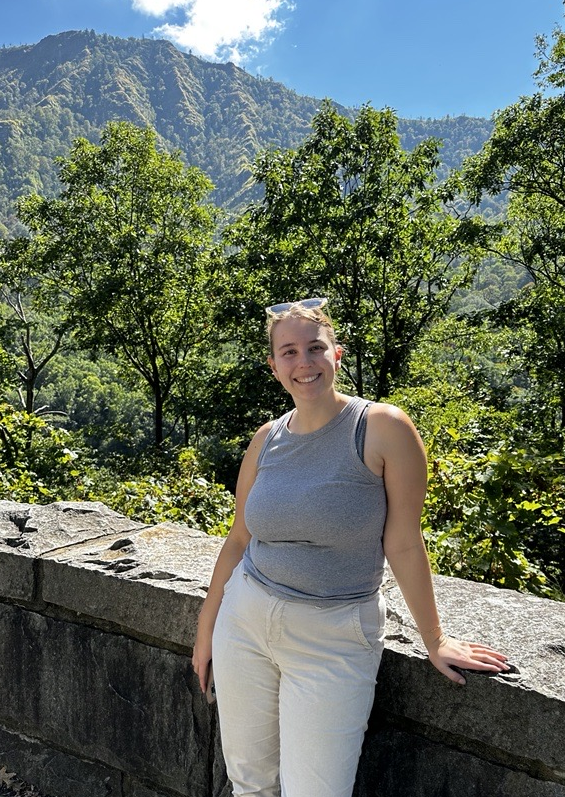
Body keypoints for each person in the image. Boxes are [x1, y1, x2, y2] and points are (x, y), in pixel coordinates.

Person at [192, 297, 509, 797]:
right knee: (249, 784)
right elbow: (238, 539)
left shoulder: (382, 428)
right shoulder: (266, 440)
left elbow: (404, 542)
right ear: (274, 366)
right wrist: (206, 629)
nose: (304, 363)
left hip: (334, 635)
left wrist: (435, 638)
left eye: (315, 348)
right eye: (290, 352)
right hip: (245, 624)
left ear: (336, 354)